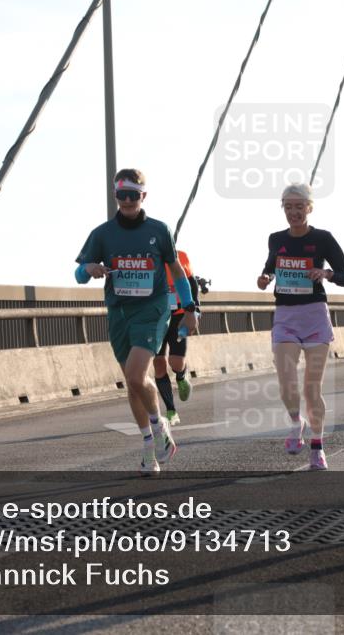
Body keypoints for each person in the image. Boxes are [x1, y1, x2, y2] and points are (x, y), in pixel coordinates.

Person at [75, 169, 198, 476]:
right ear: (115, 196)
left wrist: (191, 307)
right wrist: (88, 268)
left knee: (135, 373)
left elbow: (177, 272)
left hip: (153, 311)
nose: (128, 201)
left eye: (134, 195)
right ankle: (148, 446)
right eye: (122, 195)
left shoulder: (159, 230)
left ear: (144, 196)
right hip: (119, 313)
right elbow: (78, 274)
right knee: (132, 384)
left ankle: (159, 427)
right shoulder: (102, 234)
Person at [258, 183, 344, 472]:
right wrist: (264, 277)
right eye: (289, 207)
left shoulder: (323, 238)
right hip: (285, 316)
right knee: (287, 383)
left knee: (313, 387)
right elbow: (270, 268)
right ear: (283, 208)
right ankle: (295, 421)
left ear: (309, 208)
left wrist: (326, 273)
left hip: (314, 316)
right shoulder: (276, 239)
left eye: (299, 207)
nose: (294, 212)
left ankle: (317, 446)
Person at [154, 249, 199, 426]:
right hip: (156, 318)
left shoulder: (180, 256)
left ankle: (181, 375)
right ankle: (171, 410)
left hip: (179, 316)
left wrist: (195, 311)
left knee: (175, 362)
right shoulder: (147, 258)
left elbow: (192, 285)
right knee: (158, 364)